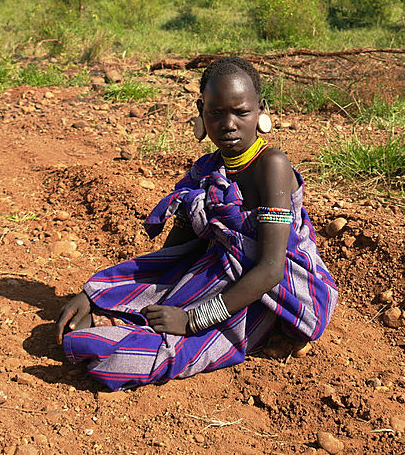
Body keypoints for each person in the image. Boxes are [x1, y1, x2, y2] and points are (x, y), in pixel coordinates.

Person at [55, 57, 338, 391]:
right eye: (216, 113)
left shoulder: (271, 165)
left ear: (260, 110)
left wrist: (191, 319)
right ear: (201, 111)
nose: (228, 124)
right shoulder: (206, 171)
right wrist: (100, 294)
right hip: (217, 277)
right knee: (136, 314)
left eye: (241, 112)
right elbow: (177, 252)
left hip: (275, 295)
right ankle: (118, 319)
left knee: (128, 358)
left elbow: (272, 268)